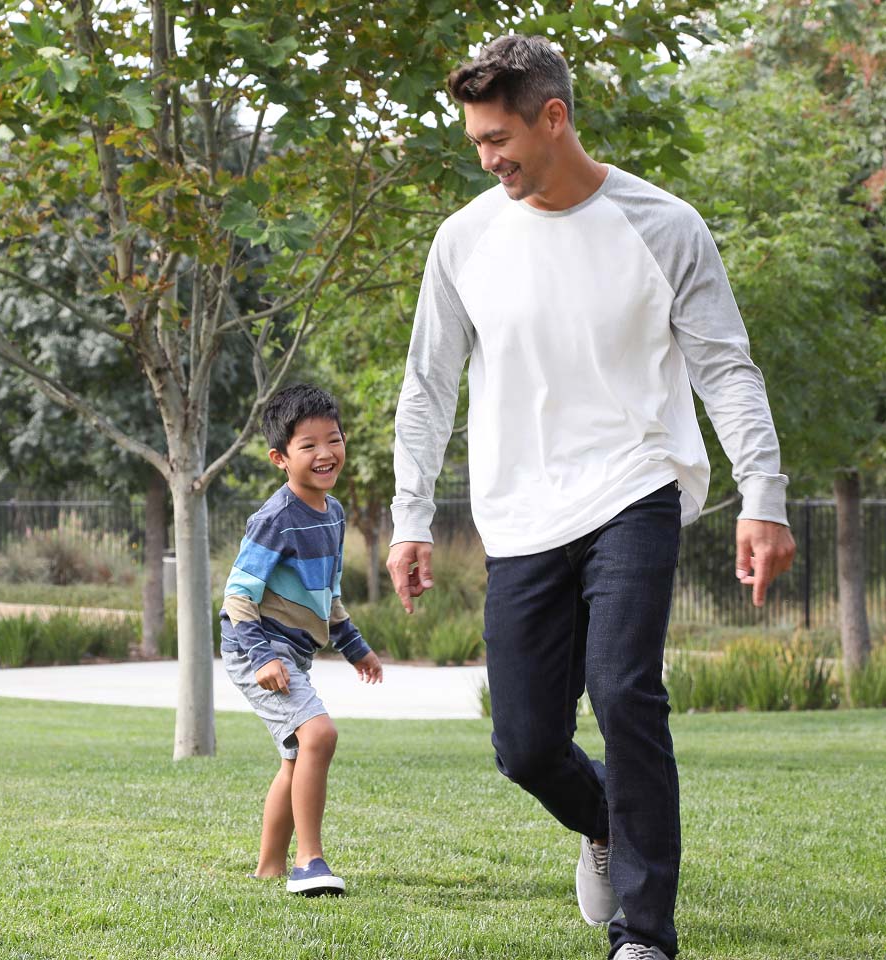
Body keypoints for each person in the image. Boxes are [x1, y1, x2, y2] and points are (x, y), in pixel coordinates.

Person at [387, 35, 795, 960]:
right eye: (477, 143)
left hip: (634, 484)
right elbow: (427, 386)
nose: (487, 159)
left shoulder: (664, 226)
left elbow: (725, 370)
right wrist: (411, 515)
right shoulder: (465, 240)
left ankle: (643, 932)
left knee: (623, 694)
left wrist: (762, 495)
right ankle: (607, 821)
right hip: (520, 508)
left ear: (554, 117)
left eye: (499, 139)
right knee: (525, 744)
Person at [220, 383, 384, 896]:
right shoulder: (275, 519)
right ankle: (308, 862)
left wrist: (356, 647)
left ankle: (269, 865)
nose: (324, 453)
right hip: (256, 649)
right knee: (319, 735)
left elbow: (326, 594)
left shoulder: (333, 514)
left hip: (291, 652)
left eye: (332, 440)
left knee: (296, 755)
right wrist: (263, 655)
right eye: (307, 445)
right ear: (280, 457)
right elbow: (237, 596)